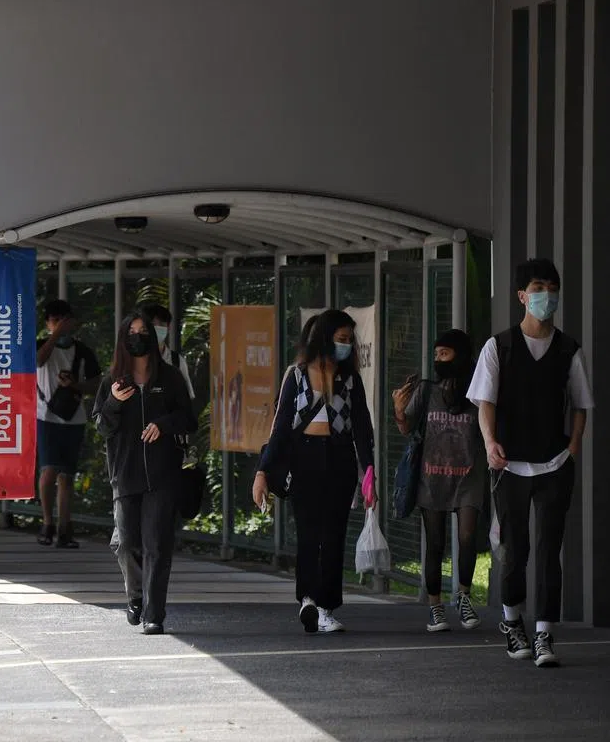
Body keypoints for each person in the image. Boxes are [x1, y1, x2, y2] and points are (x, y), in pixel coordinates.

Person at [467, 258, 593, 667]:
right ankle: (512, 621)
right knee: (514, 549)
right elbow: (484, 402)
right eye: (538, 288)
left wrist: (573, 446)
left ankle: (544, 634)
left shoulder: (569, 350)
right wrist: (490, 444)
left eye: (552, 289)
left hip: (555, 462)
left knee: (548, 548)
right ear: (522, 296)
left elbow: (580, 403)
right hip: (510, 465)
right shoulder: (498, 347)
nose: (546, 296)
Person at [253, 309, 376, 634]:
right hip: (304, 459)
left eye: (350, 340)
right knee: (308, 534)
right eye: (341, 339)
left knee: (333, 536)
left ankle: (326, 607)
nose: (347, 345)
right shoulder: (297, 375)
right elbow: (280, 428)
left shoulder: (349, 380)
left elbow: (362, 429)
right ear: (324, 338)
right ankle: (307, 599)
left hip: (340, 460)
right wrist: (262, 472)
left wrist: (369, 473)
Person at [93, 311, 197, 634]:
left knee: (157, 544)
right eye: (132, 332)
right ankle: (135, 596)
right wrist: (112, 402)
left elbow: (188, 420)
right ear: (124, 340)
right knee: (126, 544)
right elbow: (101, 427)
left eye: (143, 331)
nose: (138, 337)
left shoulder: (169, 378)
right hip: (124, 475)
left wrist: (163, 425)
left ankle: (154, 613)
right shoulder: (112, 381)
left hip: (162, 475)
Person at [392, 329, 486, 633]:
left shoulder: (478, 389)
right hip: (431, 479)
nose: (439, 360)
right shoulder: (427, 390)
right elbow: (406, 427)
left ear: (460, 354)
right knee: (435, 543)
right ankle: (435, 606)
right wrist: (398, 409)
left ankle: (463, 595)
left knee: (468, 537)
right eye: (436, 355)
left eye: (444, 353)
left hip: (469, 477)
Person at [36, 299, 102, 548]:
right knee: (48, 470)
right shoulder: (43, 346)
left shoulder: (83, 352)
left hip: (74, 418)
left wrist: (75, 385)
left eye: (64, 321)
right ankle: (47, 522)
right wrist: (55, 336)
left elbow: (97, 383)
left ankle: (65, 528)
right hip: (45, 416)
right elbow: (38, 361)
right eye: (55, 321)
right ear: (48, 323)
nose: (61, 325)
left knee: (66, 475)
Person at [138, 303, 195, 398]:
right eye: (152, 324)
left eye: (162, 324)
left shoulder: (176, 361)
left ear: (168, 328)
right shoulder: (132, 359)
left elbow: (187, 397)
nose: (157, 328)